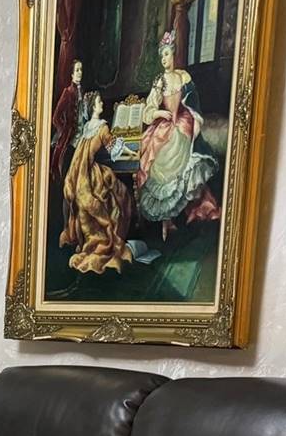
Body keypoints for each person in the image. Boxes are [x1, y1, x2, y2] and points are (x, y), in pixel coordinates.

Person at [136, 30, 218, 238]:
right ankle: (167, 220)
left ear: (174, 55)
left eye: (167, 54)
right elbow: (148, 111)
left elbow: (193, 103)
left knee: (178, 143)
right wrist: (160, 112)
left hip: (182, 123)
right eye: (161, 56)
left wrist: (188, 119)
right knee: (156, 152)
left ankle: (184, 214)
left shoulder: (183, 77)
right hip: (164, 125)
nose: (164, 59)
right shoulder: (159, 81)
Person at [59, 91, 133, 274]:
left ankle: (90, 239)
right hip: (92, 175)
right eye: (100, 102)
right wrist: (132, 153)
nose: (102, 104)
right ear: (93, 106)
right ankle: (108, 238)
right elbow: (114, 146)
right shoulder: (102, 127)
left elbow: (79, 157)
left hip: (82, 176)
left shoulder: (86, 128)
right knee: (120, 193)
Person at [50, 58, 85, 188]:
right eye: (77, 70)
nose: (80, 73)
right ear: (71, 74)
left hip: (82, 134)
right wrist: (63, 130)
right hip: (70, 138)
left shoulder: (82, 91)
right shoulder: (68, 92)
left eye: (81, 70)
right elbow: (56, 117)